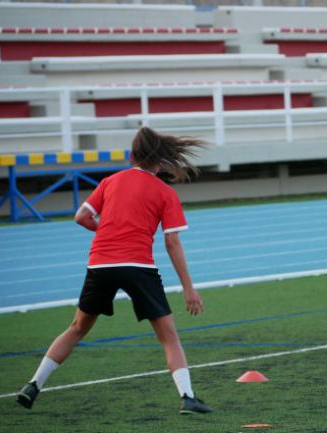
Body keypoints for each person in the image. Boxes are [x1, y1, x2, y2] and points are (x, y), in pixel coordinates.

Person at [16, 127, 214, 414]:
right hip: (138, 266)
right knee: (168, 336)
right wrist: (188, 288)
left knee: (77, 328)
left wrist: (107, 230)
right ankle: (187, 398)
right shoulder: (164, 191)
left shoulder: (110, 181)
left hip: (101, 263)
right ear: (160, 161)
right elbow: (172, 242)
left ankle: (33, 385)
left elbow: (81, 217)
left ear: (132, 156)